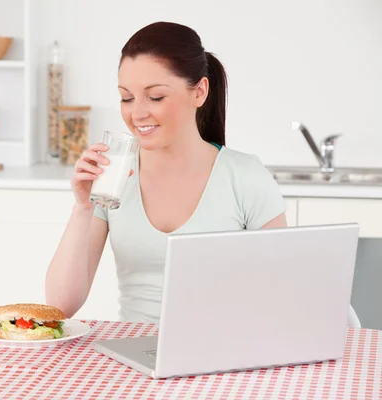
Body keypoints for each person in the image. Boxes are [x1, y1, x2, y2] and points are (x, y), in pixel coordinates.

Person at [45, 21, 287, 324]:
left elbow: (281, 295)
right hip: (134, 353)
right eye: (126, 97)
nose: (137, 113)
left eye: (155, 97)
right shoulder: (113, 179)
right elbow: (59, 306)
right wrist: (83, 208)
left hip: (222, 354)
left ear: (199, 92)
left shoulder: (245, 177)